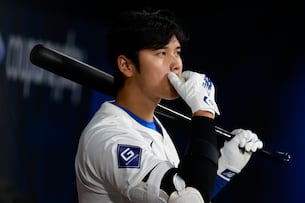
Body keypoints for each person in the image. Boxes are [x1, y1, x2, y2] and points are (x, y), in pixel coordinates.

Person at [74, 8, 263, 203]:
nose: (176, 64)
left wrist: (223, 170)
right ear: (126, 65)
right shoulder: (110, 138)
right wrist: (203, 112)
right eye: (162, 53)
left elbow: (189, 192)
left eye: (177, 52)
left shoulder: (153, 127)